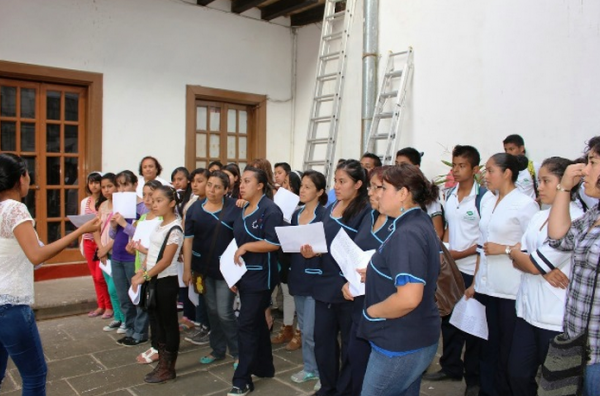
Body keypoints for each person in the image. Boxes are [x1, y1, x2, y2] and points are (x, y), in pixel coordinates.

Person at [0, 153, 100, 395]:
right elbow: (36, 256)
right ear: (20, 178)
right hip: (11, 305)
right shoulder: (15, 209)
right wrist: (81, 231)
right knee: (35, 375)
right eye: (27, 174)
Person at [358, 164, 441, 396]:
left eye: (383, 188)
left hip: (400, 342)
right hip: (413, 337)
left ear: (403, 193)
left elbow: (408, 298)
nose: (376, 193)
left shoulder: (407, 233)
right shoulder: (416, 222)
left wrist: (372, 312)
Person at [507, 157, 584, 396]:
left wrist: (531, 262)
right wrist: (522, 257)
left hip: (555, 317)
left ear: (565, 184)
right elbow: (518, 254)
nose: (539, 186)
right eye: (538, 180)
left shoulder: (577, 218)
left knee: (555, 384)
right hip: (528, 312)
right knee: (517, 374)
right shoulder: (540, 216)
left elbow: (531, 263)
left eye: (546, 181)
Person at [465, 153, 539, 396]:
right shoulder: (487, 201)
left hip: (510, 288)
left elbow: (533, 246)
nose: (485, 176)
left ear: (507, 173)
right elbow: (481, 244)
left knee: (506, 350)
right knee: (487, 347)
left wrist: (504, 249)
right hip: (486, 285)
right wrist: (474, 281)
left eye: (490, 171)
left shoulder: (525, 204)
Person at [302, 159, 370, 396]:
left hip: (347, 286)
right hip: (324, 282)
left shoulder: (364, 212)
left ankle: (345, 390)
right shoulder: (330, 208)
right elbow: (322, 240)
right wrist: (312, 250)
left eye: (343, 182)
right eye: (336, 181)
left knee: (351, 345)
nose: (337, 186)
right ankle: (328, 386)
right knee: (323, 341)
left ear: (358, 184)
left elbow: (361, 250)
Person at [424, 145, 485, 396]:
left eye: (462, 166)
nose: (457, 170)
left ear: (475, 169)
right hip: (451, 268)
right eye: (454, 165)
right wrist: (447, 251)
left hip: (472, 268)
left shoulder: (483, 198)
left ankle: (474, 379)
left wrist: (463, 253)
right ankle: (450, 366)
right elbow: (448, 227)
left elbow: (484, 239)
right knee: (448, 320)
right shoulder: (449, 195)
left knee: (472, 326)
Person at [546, 136, 600, 396]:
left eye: (592, 162)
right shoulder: (595, 214)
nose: (583, 170)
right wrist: (564, 188)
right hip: (578, 344)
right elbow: (558, 237)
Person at [228, 167, 283, 396]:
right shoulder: (243, 207)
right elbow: (235, 242)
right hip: (244, 274)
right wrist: (232, 274)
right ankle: (264, 366)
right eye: (241, 181)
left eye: (247, 181)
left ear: (260, 185)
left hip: (262, 276)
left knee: (246, 325)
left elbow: (275, 243)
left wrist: (247, 246)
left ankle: (242, 379)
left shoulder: (270, 210)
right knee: (256, 323)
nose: (241, 185)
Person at [342, 165, 395, 396]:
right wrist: (349, 279)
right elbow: (358, 252)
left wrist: (373, 272)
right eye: (371, 187)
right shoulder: (370, 215)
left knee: (379, 375)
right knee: (355, 357)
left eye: (378, 187)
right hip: (360, 301)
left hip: (386, 308)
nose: (371, 193)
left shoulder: (403, 226)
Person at [183, 171, 241, 366]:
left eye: (217, 187)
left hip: (227, 271)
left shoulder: (235, 208)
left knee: (225, 312)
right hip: (202, 270)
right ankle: (217, 350)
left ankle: (238, 352)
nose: (212, 190)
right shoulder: (195, 210)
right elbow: (188, 241)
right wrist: (187, 269)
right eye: (209, 185)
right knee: (212, 311)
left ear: (226, 190)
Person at [131, 185, 184, 384]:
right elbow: (154, 251)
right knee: (158, 323)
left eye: (159, 200)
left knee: (168, 324)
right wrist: (143, 266)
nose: (154, 204)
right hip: (154, 278)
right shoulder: (160, 224)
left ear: (172, 203)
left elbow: (166, 260)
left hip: (165, 281)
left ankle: (168, 367)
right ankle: (162, 362)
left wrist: (143, 276)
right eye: (153, 200)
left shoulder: (175, 228)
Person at [287, 170, 328, 387]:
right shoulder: (296, 214)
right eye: (301, 185)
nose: (302, 190)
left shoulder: (324, 215)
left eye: (308, 187)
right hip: (298, 274)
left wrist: (317, 252)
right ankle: (309, 367)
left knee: (313, 330)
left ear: (320, 191)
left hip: (316, 277)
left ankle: (322, 372)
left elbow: (329, 245)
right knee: (303, 326)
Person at [110, 170, 149, 347]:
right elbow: (113, 234)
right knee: (123, 296)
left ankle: (140, 332)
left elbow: (142, 234)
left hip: (133, 258)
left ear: (135, 184)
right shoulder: (118, 204)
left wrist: (124, 224)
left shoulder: (143, 207)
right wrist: (113, 225)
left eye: (126, 184)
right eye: (119, 185)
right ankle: (130, 328)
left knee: (137, 296)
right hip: (117, 255)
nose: (122, 189)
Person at [127, 179, 163, 365]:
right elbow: (136, 245)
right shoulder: (142, 219)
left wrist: (143, 251)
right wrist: (132, 248)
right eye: (146, 195)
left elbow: (162, 253)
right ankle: (155, 343)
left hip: (156, 271)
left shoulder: (163, 220)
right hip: (142, 267)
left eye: (153, 196)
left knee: (158, 309)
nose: (148, 200)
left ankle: (160, 346)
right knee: (148, 307)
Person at [94, 173, 127, 334]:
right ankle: (118, 317)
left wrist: (107, 247)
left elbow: (122, 232)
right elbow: (96, 228)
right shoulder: (102, 206)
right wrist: (100, 247)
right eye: (103, 187)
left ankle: (126, 319)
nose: (106, 190)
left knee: (117, 288)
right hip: (103, 251)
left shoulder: (122, 206)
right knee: (109, 286)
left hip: (116, 250)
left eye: (110, 186)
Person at [80, 171, 113, 319]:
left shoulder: (105, 201)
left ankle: (109, 306)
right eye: (91, 182)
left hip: (101, 241)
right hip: (88, 240)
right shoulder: (84, 202)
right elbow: (82, 222)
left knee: (102, 276)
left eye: (96, 182)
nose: (94, 185)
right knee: (94, 276)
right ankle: (101, 305)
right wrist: (81, 241)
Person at [394, 148, 444, 239]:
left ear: (416, 167)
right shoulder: (393, 189)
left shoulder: (427, 191)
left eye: (403, 165)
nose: (398, 168)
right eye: (396, 164)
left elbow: (438, 232)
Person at [503, 134, 539, 200]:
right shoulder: (504, 169)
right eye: (506, 150)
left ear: (522, 148)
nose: (508, 153)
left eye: (511, 149)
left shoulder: (534, 167)